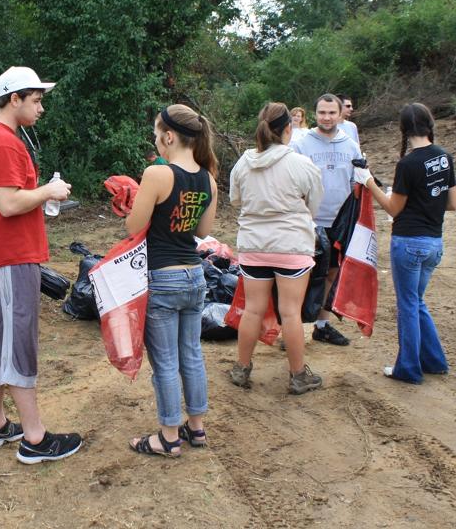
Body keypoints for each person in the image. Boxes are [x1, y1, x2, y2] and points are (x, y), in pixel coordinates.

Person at [0, 66, 82, 464]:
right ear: (13, 99)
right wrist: (48, 190)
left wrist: (40, 195)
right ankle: (35, 438)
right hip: (8, 256)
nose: (40, 108)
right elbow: (7, 203)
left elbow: (6, 198)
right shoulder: (3, 142)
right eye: (35, 100)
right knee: (16, 341)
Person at [125, 104, 218, 457]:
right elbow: (203, 231)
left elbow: (134, 227)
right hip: (194, 276)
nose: (154, 141)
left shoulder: (157, 174)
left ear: (168, 136)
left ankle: (168, 436)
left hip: (163, 278)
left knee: (164, 362)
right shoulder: (208, 178)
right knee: (191, 355)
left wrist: (132, 204)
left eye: (155, 135)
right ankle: (196, 427)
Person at [355, 104, 456, 383]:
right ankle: (434, 360)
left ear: (403, 129)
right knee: (416, 301)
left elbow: (393, 208)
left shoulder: (408, 164)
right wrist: (426, 201)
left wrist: (369, 182)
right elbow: (452, 203)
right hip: (434, 241)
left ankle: (409, 368)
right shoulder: (444, 157)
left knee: (408, 306)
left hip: (409, 241)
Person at [228, 102, 324, 393]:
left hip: (254, 246)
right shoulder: (301, 164)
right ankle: (298, 376)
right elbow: (314, 205)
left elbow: (235, 200)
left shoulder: (243, 163)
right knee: (291, 312)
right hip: (292, 246)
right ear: (288, 129)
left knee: (252, 310)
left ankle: (242, 368)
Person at [292, 93, 362, 346]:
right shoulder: (300, 144)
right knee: (301, 275)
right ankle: (292, 327)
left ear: (340, 114)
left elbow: (356, 183)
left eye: (332, 113)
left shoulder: (350, 145)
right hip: (308, 222)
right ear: (315, 113)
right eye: (322, 112)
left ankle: (321, 325)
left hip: (338, 222)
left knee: (332, 273)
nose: (327, 117)